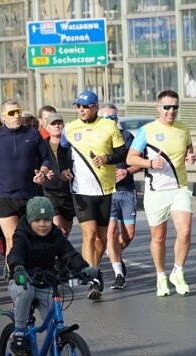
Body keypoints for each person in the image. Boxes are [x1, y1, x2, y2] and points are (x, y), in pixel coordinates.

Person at [6, 196, 97, 356]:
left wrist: (84, 268)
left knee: (54, 323)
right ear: (30, 220)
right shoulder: (22, 234)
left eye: (47, 219)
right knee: (25, 292)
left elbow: (69, 254)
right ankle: (19, 332)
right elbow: (15, 253)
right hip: (22, 278)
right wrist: (18, 268)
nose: (43, 224)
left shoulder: (56, 235)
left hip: (45, 281)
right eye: (38, 220)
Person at [126, 90, 196, 297]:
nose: (171, 111)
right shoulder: (146, 131)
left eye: (175, 107)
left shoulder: (184, 128)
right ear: (158, 108)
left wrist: (190, 155)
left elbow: (188, 147)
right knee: (159, 237)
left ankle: (178, 272)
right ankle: (160, 276)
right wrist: (149, 163)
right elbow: (131, 158)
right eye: (167, 107)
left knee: (185, 231)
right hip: (156, 190)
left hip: (179, 188)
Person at [58, 91, 126, 300]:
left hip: (104, 188)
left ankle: (94, 268)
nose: (82, 110)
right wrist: (64, 169)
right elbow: (62, 151)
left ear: (95, 107)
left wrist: (107, 158)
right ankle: (92, 277)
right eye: (79, 106)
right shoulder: (70, 128)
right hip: (81, 189)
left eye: (86, 107)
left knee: (101, 238)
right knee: (88, 233)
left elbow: (122, 152)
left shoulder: (109, 126)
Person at [0, 100, 53, 266]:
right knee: (12, 238)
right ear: (3, 116)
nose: (17, 116)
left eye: (18, 111)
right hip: (4, 195)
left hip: (30, 195)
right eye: (12, 113)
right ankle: (14, 274)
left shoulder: (33, 135)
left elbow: (46, 158)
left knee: (30, 237)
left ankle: (31, 272)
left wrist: (42, 173)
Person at [98, 103, 140, 290]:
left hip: (126, 190)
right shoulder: (97, 138)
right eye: (107, 118)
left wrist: (127, 172)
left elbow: (138, 163)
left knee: (129, 234)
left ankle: (113, 252)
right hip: (107, 191)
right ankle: (118, 274)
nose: (111, 121)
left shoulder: (127, 137)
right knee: (111, 232)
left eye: (114, 118)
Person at [40, 112, 75, 237]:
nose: (57, 126)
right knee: (57, 227)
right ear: (46, 127)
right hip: (49, 192)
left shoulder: (72, 145)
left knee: (65, 230)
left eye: (59, 123)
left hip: (69, 192)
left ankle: (60, 252)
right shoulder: (41, 145)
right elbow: (36, 165)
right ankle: (54, 254)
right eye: (53, 124)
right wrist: (43, 174)